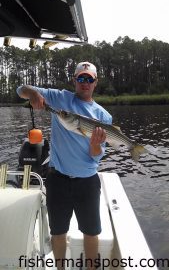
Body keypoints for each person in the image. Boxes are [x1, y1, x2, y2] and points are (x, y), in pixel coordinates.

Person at [17, 61, 112, 270]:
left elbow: (96, 157)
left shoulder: (103, 116)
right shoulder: (60, 98)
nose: (85, 82)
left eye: (89, 79)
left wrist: (95, 146)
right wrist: (32, 94)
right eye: (81, 78)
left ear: (95, 83)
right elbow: (21, 89)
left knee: (91, 232)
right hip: (57, 178)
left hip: (87, 181)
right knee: (58, 231)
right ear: (74, 80)